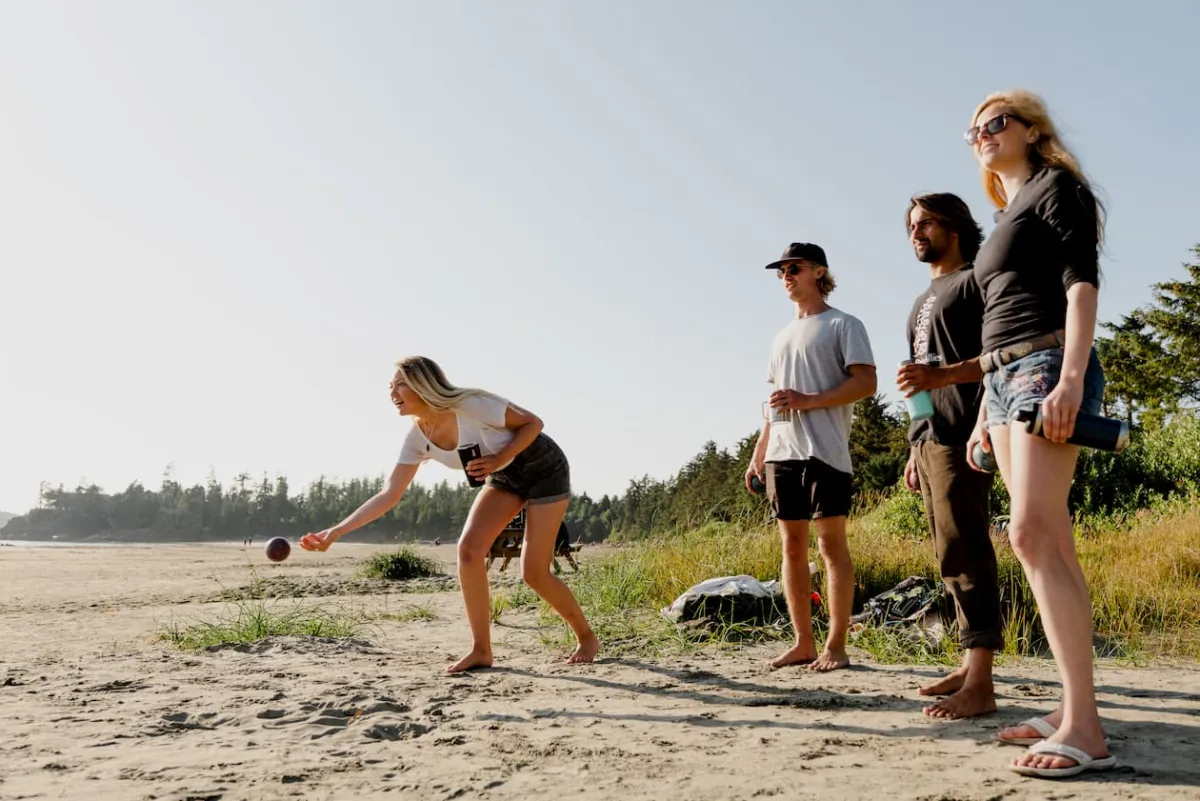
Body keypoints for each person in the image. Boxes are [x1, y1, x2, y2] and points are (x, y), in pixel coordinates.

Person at [963, 90, 1113, 778]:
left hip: (1045, 364)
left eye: (995, 122)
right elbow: (995, 311)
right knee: (1046, 541)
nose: (982, 135)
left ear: (1032, 128)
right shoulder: (1004, 215)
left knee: (1031, 533)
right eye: (973, 131)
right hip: (999, 381)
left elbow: (1081, 285)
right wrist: (978, 414)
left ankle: (1085, 725)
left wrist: (1072, 380)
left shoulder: (1059, 186)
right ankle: (1069, 705)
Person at [299, 355, 600, 673]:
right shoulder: (418, 438)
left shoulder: (471, 405)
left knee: (533, 573)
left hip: (543, 468)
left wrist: (498, 458)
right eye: (390, 386)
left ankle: (586, 637)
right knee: (468, 551)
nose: (392, 393)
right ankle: (481, 650)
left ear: (423, 384)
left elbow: (533, 423)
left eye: (400, 384)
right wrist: (336, 532)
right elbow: (390, 494)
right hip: (503, 476)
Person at [745, 242, 877, 673]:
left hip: (826, 452)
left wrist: (811, 400)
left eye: (793, 268)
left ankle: (835, 645)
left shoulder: (844, 324)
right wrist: (758, 454)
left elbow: (866, 383)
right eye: (781, 270)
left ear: (819, 272)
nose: (785, 275)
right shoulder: (780, 336)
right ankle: (803, 642)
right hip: (782, 455)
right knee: (792, 548)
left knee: (831, 547)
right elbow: (775, 403)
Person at [898, 193, 1002, 719]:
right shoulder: (921, 301)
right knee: (947, 553)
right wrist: (916, 446)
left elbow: (997, 359)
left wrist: (983, 428)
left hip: (967, 434)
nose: (916, 233)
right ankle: (969, 662)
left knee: (966, 549)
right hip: (931, 440)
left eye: (926, 224)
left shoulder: (975, 283)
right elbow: (915, 377)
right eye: (911, 225)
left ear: (955, 227)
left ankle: (982, 681)